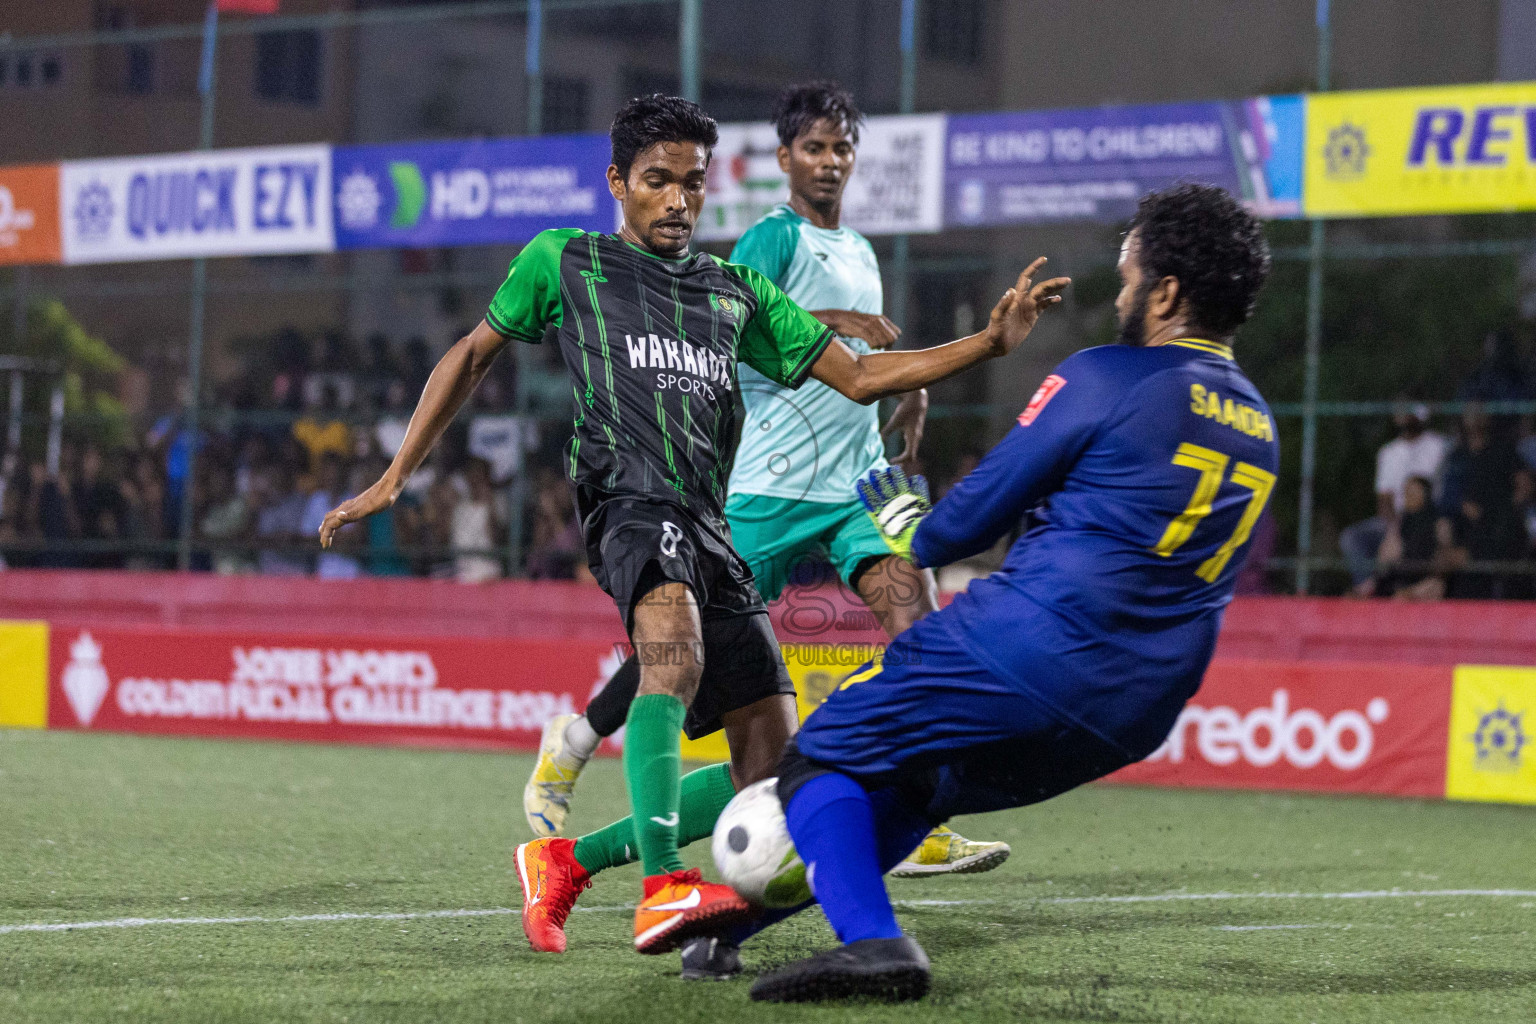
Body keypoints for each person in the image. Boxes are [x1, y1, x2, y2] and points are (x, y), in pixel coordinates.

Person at [320, 93, 1067, 960]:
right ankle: (661, 887)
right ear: (618, 184)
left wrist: (988, 343)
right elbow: (471, 353)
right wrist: (394, 475)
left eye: (692, 183)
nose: (676, 200)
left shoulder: (733, 293)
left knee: (772, 768)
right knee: (670, 658)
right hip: (628, 507)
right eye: (656, 181)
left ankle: (566, 858)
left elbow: (862, 377)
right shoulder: (567, 261)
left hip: (712, 525)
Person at [733, 183, 1278, 1002]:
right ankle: (729, 929)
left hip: (1026, 652)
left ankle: (876, 945)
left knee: (820, 753)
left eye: (1131, 278)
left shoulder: (1108, 376)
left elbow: (957, 533)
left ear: (1167, 293)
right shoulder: (1261, 426)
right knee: (921, 780)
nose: (1122, 293)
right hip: (1138, 712)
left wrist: (906, 514)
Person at [521, 81, 1007, 881]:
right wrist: (842, 329)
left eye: (841, 148)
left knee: (919, 627)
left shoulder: (860, 249)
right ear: (784, 159)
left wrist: (912, 381)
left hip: (852, 483)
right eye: (813, 148)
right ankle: (574, 742)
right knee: (677, 647)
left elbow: (858, 370)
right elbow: (720, 320)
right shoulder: (771, 241)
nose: (829, 161)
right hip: (767, 487)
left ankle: (916, 815)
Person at [1338, 403, 1449, 595]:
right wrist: (1394, 530)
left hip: (1428, 518)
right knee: (1352, 538)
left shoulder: (1439, 445)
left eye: (1409, 408)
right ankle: (1368, 589)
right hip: (1396, 520)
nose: (1403, 414)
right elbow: (1384, 500)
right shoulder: (1388, 452)